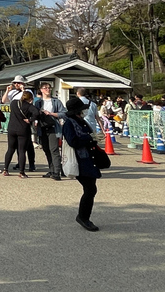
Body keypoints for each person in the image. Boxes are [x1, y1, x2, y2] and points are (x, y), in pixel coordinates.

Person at [62, 97, 103, 231]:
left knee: (91, 189)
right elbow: (73, 141)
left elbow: (89, 137)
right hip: (80, 160)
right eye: (81, 110)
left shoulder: (81, 121)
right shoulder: (69, 123)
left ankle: (84, 216)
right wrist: (89, 138)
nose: (84, 112)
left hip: (88, 158)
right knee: (90, 189)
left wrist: (94, 138)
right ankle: (83, 217)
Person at [34, 82, 66, 181]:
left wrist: (51, 114)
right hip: (42, 127)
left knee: (54, 149)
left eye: (49, 88)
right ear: (41, 90)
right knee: (46, 149)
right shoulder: (38, 102)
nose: (48, 90)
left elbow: (64, 113)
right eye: (45, 88)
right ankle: (51, 169)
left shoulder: (56, 101)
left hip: (53, 127)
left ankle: (57, 172)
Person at [3, 91, 39, 178]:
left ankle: (5, 169)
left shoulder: (14, 103)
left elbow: (6, 101)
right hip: (23, 129)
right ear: (30, 99)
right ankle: (21, 172)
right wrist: (30, 120)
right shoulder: (29, 106)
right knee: (22, 150)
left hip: (12, 128)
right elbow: (37, 113)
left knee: (10, 149)